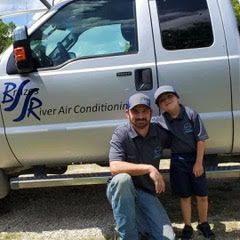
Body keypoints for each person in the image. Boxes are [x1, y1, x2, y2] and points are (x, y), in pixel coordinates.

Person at [106, 93, 175, 240]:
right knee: (122, 179)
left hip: (146, 193)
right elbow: (114, 167)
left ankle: (123, 224)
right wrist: (149, 168)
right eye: (135, 111)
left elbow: (183, 135)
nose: (141, 116)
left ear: (151, 113)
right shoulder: (121, 133)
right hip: (123, 191)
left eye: (144, 111)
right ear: (127, 114)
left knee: (167, 238)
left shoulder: (159, 132)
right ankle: (127, 236)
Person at [154, 85, 215, 240]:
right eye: (162, 100)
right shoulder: (161, 121)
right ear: (160, 106)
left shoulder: (190, 114)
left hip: (195, 158)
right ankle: (187, 226)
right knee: (185, 196)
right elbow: (156, 141)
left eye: (169, 96)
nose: (166, 101)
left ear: (177, 98)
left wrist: (198, 163)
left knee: (202, 195)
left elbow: (201, 140)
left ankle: (204, 223)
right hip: (178, 160)